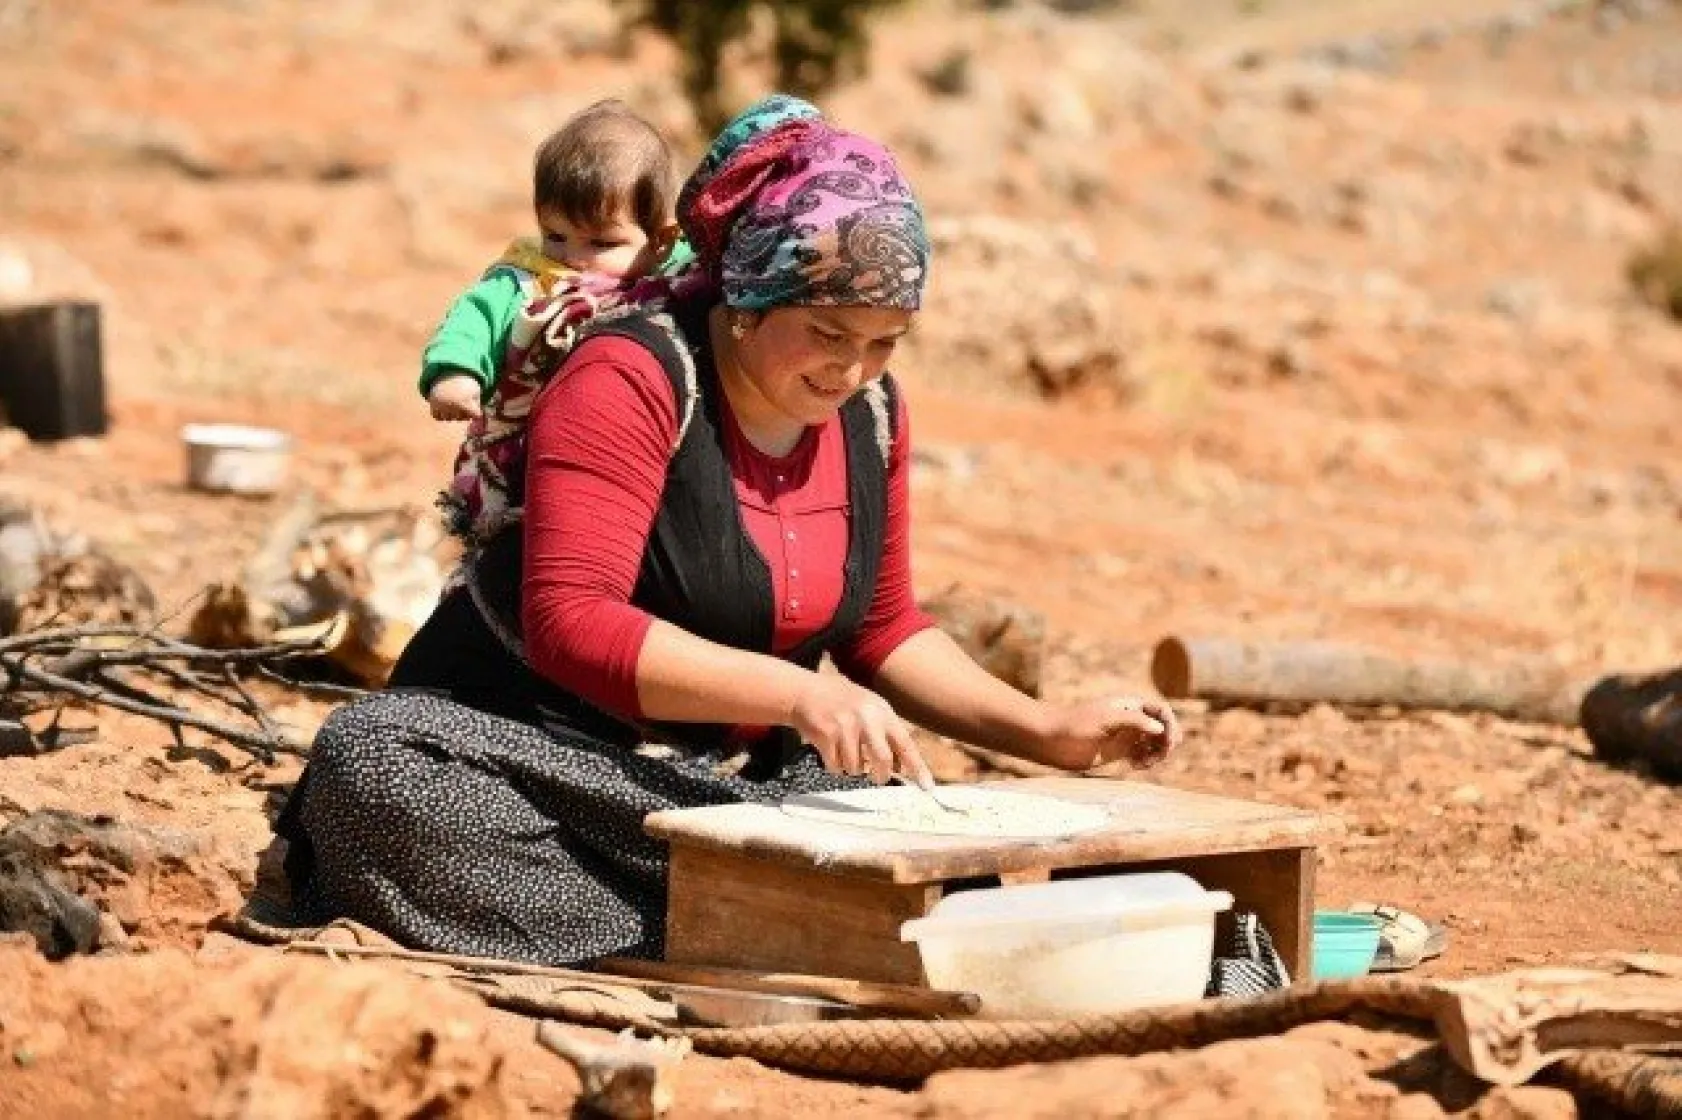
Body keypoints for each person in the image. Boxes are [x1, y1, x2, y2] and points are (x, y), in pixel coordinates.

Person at [277, 98, 1182, 967]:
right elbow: (570, 619)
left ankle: (740, 916)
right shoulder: (631, 378)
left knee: (895, 819)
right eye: (827, 332)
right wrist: (798, 696)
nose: (853, 370)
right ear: (748, 300)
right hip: (542, 762)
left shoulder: (871, 414)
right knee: (375, 767)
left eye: (884, 342)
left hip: (730, 785)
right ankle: (765, 922)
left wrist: (1047, 731)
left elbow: (881, 627)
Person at [420, 98, 692, 545]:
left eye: (601, 242)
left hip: (634, 447)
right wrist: (456, 372)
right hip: (529, 451)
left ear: (660, 240)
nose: (573, 257)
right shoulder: (529, 279)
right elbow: (475, 317)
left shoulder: (679, 272)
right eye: (556, 236)